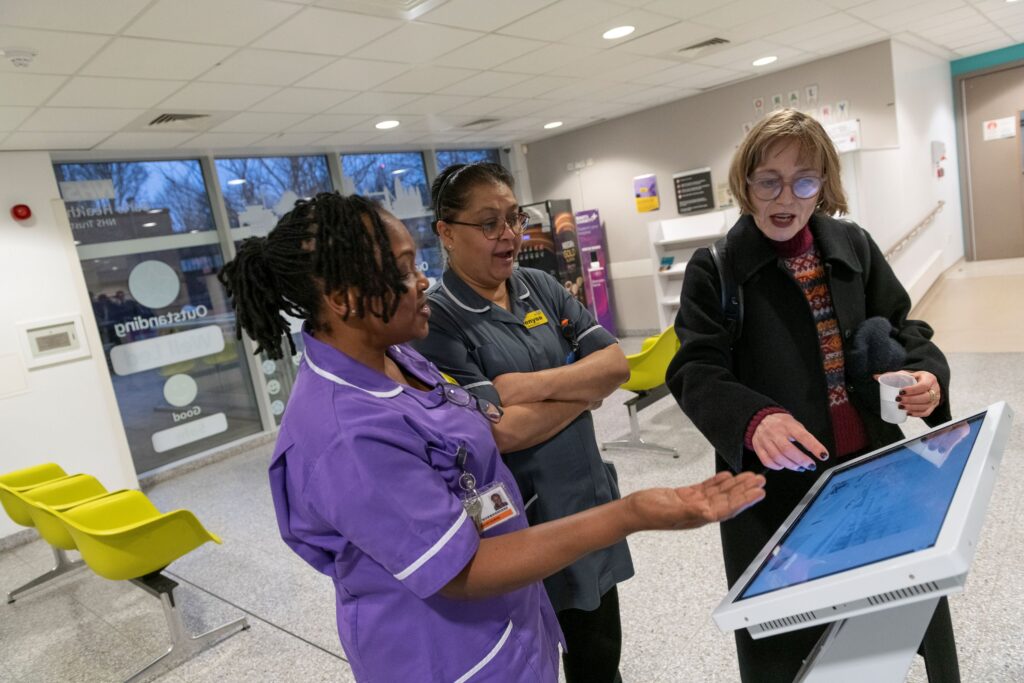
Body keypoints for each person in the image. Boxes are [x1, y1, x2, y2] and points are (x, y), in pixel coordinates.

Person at [219, 191, 766, 682]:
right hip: (450, 655)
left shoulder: (396, 355)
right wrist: (634, 513)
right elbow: (463, 568)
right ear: (344, 298)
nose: (423, 280)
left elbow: (486, 424)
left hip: (511, 622)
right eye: (405, 269)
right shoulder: (344, 436)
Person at [666, 108, 959, 683]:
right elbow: (695, 368)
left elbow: (905, 327)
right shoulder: (716, 268)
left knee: (891, 621)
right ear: (744, 182)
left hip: (873, 470)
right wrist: (752, 419)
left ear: (823, 185)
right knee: (795, 646)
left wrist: (928, 378)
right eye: (767, 179)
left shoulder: (852, 244)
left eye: (804, 179)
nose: (785, 196)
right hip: (777, 491)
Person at [412, 162, 634, 683]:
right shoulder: (438, 320)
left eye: (514, 218)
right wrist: (583, 393)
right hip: (523, 526)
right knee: (532, 665)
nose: (509, 235)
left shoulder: (538, 285)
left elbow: (616, 366)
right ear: (446, 232)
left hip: (587, 502)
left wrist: (522, 387)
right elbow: (499, 431)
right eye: (489, 223)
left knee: (601, 660)